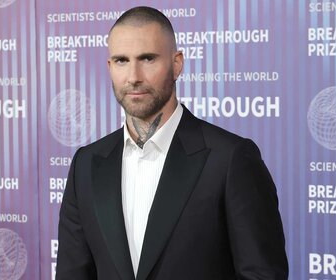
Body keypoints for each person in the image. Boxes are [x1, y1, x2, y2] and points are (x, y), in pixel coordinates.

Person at [56, 6, 288, 280]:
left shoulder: (230, 159)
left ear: (177, 64)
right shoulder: (86, 164)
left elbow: (262, 275)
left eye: (148, 59)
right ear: (109, 67)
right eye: (121, 60)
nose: (133, 76)